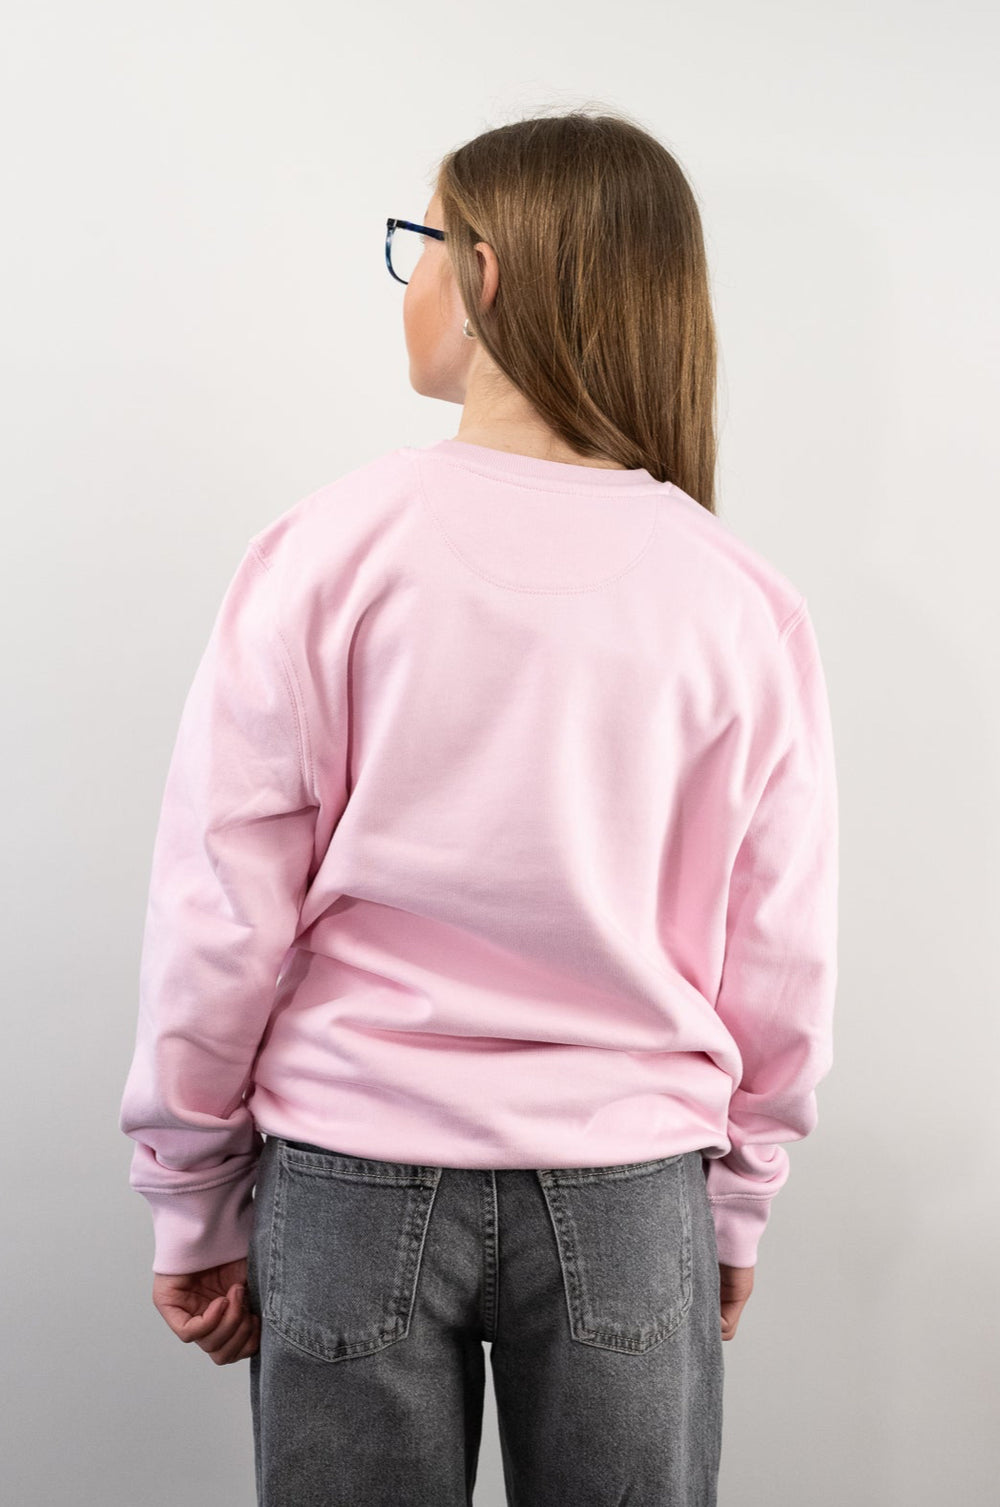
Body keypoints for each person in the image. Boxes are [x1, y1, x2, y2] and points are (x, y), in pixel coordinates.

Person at [119, 108, 838, 1506]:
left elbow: (220, 904)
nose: (413, 276)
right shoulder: (737, 600)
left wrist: (190, 1191)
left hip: (352, 1168)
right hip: (630, 1183)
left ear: (487, 272)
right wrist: (740, 1200)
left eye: (423, 243)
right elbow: (781, 953)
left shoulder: (328, 551)